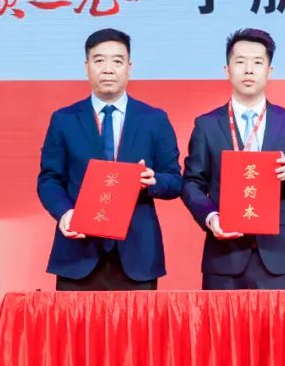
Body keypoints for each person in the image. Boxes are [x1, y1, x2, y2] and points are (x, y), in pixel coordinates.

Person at [181, 28, 285, 289]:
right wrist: (211, 217)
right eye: (240, 62)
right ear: (227, 70)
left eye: (258, 63)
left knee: (278, 320)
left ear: (269, 71)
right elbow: (191, 183)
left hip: (278, 259)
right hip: (224, 259)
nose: (249, 70)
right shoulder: (207, 125)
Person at [38, 28, 182, 290]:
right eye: (99, 60)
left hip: (137, 255)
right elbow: (49, 179)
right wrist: (65, 213)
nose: (108, 69)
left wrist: (152, 181)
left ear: (129, 68)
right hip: (78, 251)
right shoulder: (64, 120)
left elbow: (174, 180)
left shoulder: (154, 119)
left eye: (117, 61)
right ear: (87, 67)